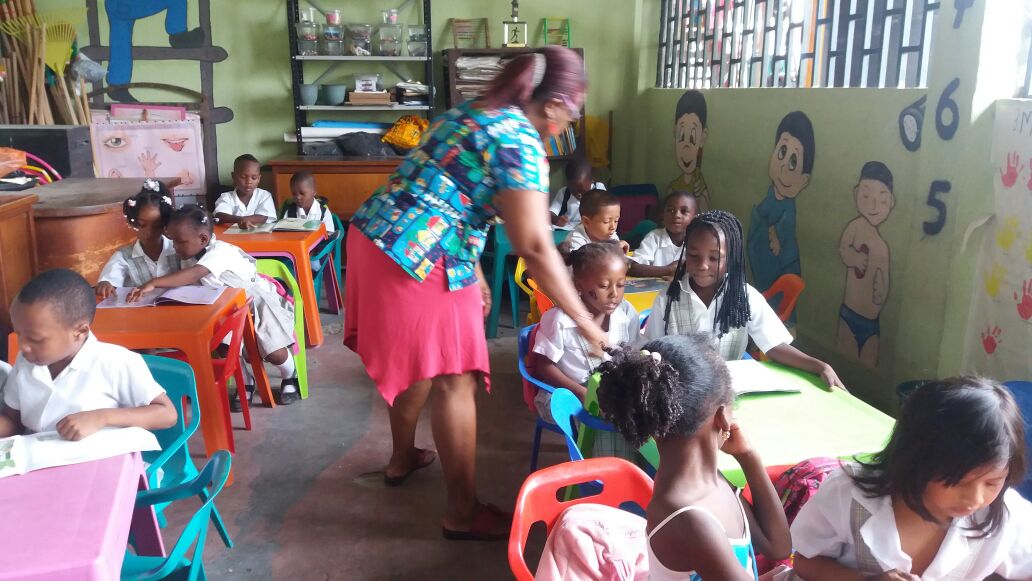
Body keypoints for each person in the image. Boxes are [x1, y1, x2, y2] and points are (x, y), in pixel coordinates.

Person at [344, 46, 607, 541]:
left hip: (379, 237)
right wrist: (587, 323)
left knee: (422, 363)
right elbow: (534, 245)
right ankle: (461, 513)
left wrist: (478, 274)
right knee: (455, 379)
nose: (566, 124)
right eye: (571, 112)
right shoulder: (522, 143)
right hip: (419, 257)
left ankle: (403, 458)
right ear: (552, 105)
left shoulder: (476, 112)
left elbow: (453, 191)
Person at [791, 377, 1032, 580]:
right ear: (917, 460)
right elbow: (804, 561)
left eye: (992, 482)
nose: (976, 498)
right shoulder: (848, 494)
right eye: (959, 481)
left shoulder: (1005, 515)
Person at [598, 334, 792, 580]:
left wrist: (748, 456)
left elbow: (778, 546)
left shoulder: (710, 480)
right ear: (723, 416)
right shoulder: (689, 518)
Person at [645, 210, 844, 389]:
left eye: (714, 258)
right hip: (682, 394)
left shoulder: (745, 297)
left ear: (731, 258)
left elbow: (774, 346)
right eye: (694, 255)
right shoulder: (667, 300)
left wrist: (819, 366)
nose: (703, 265)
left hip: (729, 394)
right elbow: (652, 351)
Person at [128, 205, 301, 405]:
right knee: (227, 350)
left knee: (275, 352)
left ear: (203, 239)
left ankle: (290, 373)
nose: (174, 247)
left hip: (257, 303)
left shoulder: (220, 252)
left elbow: (196, 274)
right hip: (224, 309)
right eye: (173, 240)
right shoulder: (188, 253)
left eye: (179, 241)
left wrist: (153, 283)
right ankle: (245, 381)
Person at [0, 269, 177, 440]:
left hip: (99, 462)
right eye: (18, 334)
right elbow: (12, 420)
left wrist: (102, 417)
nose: (23, 346)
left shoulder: (115, 362)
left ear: (80, 331)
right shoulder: (25, 362)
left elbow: (167, 414)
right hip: (38, 460)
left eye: (35, 339)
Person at [529, 242, 639, 419]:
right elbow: (544, 367)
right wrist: (580, 391)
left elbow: (633, 353)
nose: (614, 294)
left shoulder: (626, 312)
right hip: (568, 392)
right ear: (578, 285)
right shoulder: (559, 319)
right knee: (611, 420)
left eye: (621, 285)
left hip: (610, 390)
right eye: (603, 286)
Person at [746, 112, 815, 305]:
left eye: (793, 162)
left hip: (781, 276)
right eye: (782, 152)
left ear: (803, 180)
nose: (784, 166)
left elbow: (788, 243)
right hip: (763, 278)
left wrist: (778, 243)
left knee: (779, 313)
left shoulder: (788, 210)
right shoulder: (769, 197)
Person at [837, 161, 894, 367]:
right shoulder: (856, 227)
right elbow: (843, 249)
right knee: (846, 362)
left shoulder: (883, 247)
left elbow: (885, 278)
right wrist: (854, 258)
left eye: (882, 199)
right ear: (856, 195)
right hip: (849, 315)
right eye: (866, 196)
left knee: (868, 363)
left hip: (872, 322)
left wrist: (882, 290)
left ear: (891, 202)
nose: (873, 206)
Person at [96, 179, 181, 300]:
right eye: (142, 224)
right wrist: (105, 284)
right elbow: (108, 280)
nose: (149, 232)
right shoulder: (124, 256)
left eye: (157, 225)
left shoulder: (178, 250)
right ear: (134, 222)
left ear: (166, 223)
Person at [628, 191, 698, 278]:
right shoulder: (654, 237)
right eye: (671, 210)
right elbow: (635, 269)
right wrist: (669, 269)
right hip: (652, 290)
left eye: (684, 211)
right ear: (663, 215)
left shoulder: (698, 242)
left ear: (694, 218)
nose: (677, 215)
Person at [668, 90, 711, 210]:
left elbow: (704, 218)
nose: (686, 146)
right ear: (675, 132)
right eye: (681, 137)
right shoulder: (673, 187)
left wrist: (698, 198)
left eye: (692, 138)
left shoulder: (700, 188)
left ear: (703, 137)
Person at [559, 189, 630, 258]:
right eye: (606, 222)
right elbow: (586, 265)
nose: (613, 227)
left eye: (616, 221)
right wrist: (614, 251)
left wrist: (620, 251)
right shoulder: (576, 241)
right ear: (586, 222)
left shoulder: (610, 235)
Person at [213, 154, 277, 229]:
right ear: (233, 176)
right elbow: (220, 215)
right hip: (231, 238)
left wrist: (244, 220)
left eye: (254, 178)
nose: (249, 181)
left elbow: (263, 217)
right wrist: (240, 220)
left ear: (259, 178)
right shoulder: (226, 197)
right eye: (243, 177)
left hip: (258, 237)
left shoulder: (264, 195)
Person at [549, 156, 606, 230]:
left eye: (581, 190)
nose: (578, 194)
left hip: (592, 230)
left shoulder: (598, 188)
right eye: (573, 190)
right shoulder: (564, 192)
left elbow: (606, 211)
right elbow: (550, 214)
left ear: (592, 180)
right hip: (568, 232)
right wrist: (556, 219)